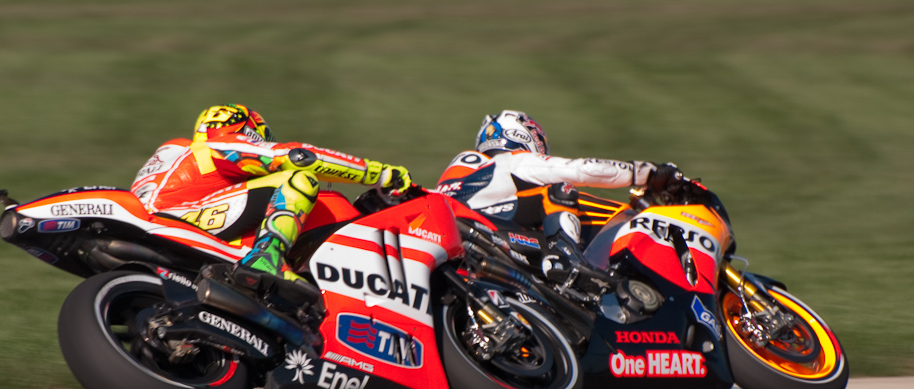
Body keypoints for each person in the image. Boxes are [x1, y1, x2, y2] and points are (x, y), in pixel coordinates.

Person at [131, 103, 411, 291]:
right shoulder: (216, 145)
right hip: (176, 218)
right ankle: (268, 256)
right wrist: (379, 174)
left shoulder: (177, 157)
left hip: (161, 221)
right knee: (297, 178)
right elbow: (298, 157)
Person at [436, 109, 683, 279]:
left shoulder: (465, 169)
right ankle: (566, 260)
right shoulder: (512, 161)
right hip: (484, 232)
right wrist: (649, 174)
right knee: (561, 189)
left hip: (451, 242)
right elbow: (585, 170)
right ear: (523, 135)